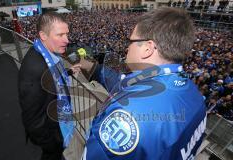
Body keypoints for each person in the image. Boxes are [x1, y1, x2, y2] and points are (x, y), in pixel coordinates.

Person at [78, 8, 206, 160]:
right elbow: (122, 82)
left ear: (147, 48)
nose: (127, 47)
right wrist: (94, 68)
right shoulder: (195, 94)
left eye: (130, 41)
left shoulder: (127, 115)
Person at [18, 12, 75, 160]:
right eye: (60, 35)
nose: (67, 40)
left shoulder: (45, 55)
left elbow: (52, 78)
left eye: (67, 34)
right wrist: (51, 144)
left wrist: (68, 72)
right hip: (51, 137)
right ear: (43, 35)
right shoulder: (34, 70)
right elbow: (33, 120)